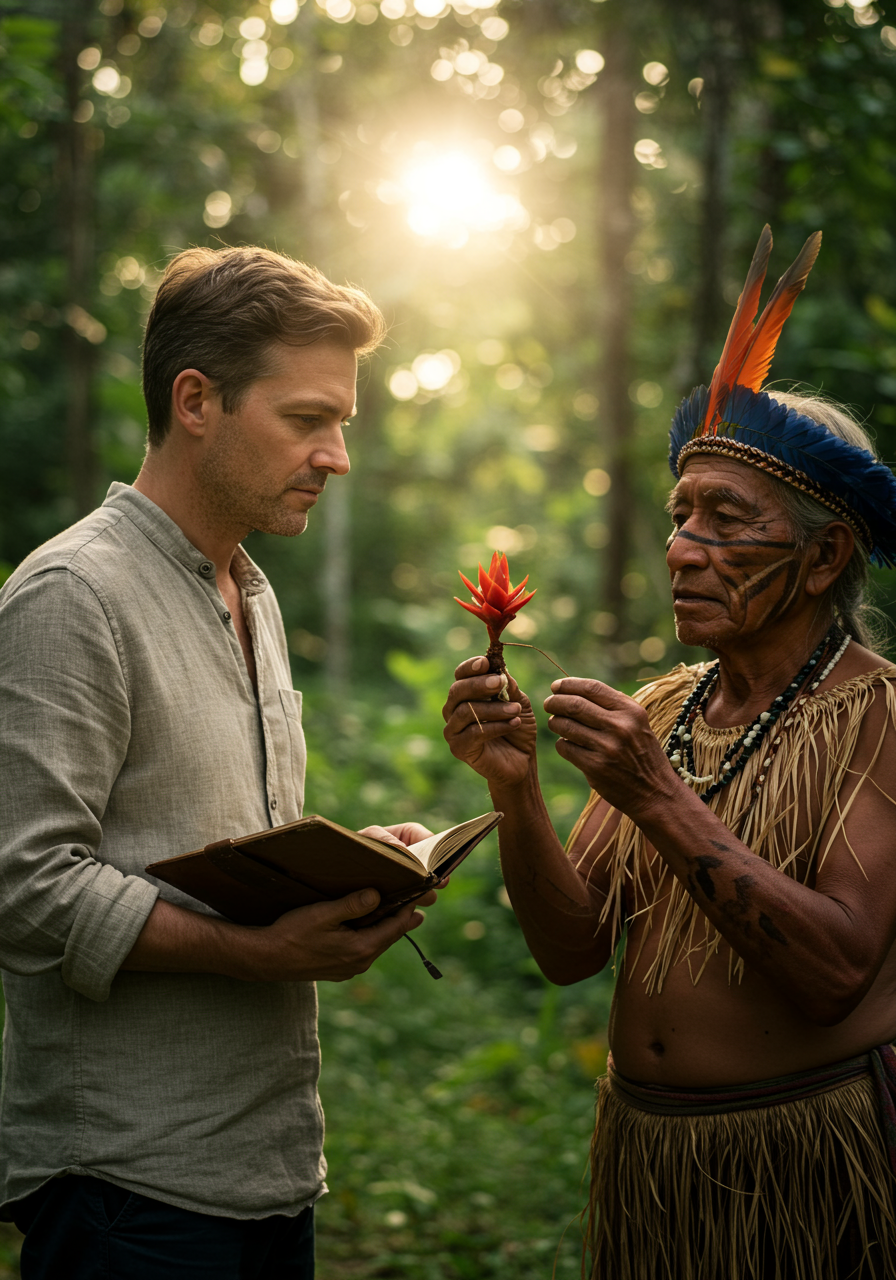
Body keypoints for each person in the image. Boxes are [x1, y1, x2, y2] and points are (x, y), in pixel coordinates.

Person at [443, 226, 896, 1278]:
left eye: (723, 519)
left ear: (824, 553)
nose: (680, 547)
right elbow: (570, 950)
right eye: (678, 513)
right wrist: (515, 790)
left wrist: (653, 793)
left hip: (802, 1164)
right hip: (650, 1161)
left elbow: (832, 970)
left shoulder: (875, 717)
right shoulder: (668, 709)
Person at [0, 245, 436, 1279]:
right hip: (128, 1186)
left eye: (341, 423)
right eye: (305, 419)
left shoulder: (251, 589)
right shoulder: (74, 594)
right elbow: (23, 884)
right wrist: (257, 952)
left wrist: (343, 862)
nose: (335, 454)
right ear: (195, 399)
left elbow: (206, 840)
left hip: (268, 1163)